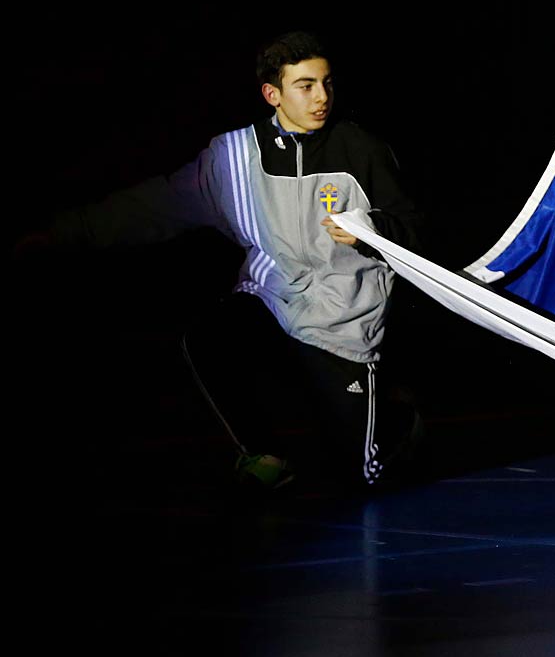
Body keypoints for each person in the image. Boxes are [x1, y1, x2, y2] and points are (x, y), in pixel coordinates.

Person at [38, 31, 423, 490]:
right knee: (212, 337)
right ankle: (265, 455)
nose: (322, 97)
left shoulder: (362, 151)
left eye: (326, 83)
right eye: (305, 86)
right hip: (273, 303)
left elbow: (412, 229)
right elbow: (153, 205)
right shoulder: (234, 157)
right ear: (272, 93)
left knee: (363, 479)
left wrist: (373, 233)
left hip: (341, 325)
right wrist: (57, 236)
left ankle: (395, 417)